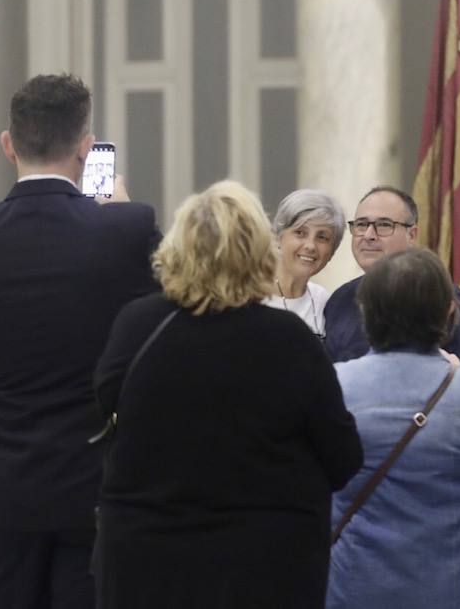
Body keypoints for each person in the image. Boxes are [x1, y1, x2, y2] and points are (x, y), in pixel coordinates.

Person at [0, 74, 160, 609]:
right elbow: (159, 319)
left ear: (7, 144)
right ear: (87, 149)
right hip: (93, 477)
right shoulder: (125, 227)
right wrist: (118, 214)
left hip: (6, 480)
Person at [94, 181, 363, 608]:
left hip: (149, 557)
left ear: (178, 249)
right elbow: (343, 457)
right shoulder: (289, 339)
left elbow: (104, 404)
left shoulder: (138, 324)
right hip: (263, 564)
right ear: (261, 251)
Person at [328, 247, 460, 609]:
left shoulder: (334, 386)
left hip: (357, 589)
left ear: (365, 310)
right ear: (448, 312)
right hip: (459, 591)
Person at [323, 185, 460, 364]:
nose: (369, 235)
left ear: (412, 235)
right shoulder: (339, 299)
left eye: (384, 225)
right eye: (361, 224)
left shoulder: (438, 295)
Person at [264, 188, 347, 338]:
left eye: (322, 237)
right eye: (300, 233)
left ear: (332, 251)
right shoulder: (250, 297)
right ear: (277, 237)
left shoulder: (323, 300)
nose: (310, 246)